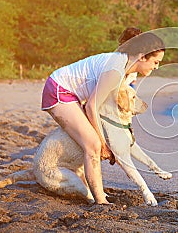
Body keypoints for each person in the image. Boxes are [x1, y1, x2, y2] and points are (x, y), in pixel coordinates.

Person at [40, 28, 165, 204]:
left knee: (89, 139)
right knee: (93, 145)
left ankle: (90, 188)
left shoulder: (130, 70)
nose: (156, 67)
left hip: (76, 95)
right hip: (59, 90)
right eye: (155, 62)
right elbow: (92, 106)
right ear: (142, 56)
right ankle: (100, 201)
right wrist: (104, 143)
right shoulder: (115, 70)